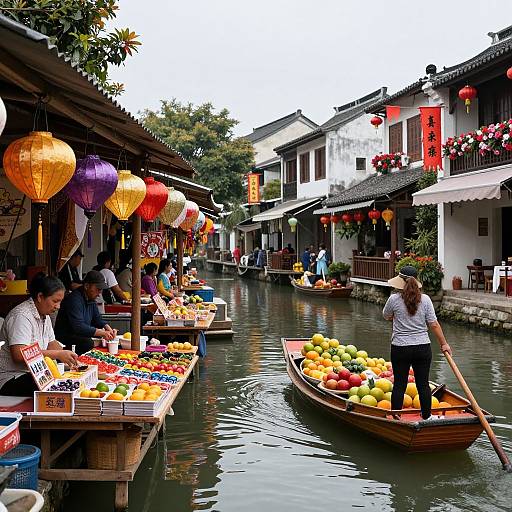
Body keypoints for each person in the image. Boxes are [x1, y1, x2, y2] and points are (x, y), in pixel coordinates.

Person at [382, 265, 452, 421]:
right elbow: (434, 324)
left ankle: (396, 417)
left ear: (400, 281)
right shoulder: (425, 299)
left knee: (400, 384)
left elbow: (386, 316)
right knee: (423, 384)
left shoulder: (393, 299)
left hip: (400, 348)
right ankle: (426, 416)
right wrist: (444, 344)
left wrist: (398, 317)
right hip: (422, 348)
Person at [0, 274, 78, 396]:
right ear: (40, 297)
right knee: (48, 386)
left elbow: (52, 345)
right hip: (12, 377)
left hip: (35, 373)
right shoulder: (21, 316)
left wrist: (72, 359)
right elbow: (19, 354)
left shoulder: (44, 315)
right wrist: (58, 354)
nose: (58, 306)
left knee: (65, 380)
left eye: (60, 302)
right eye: (55, 301)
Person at [55, 271, 117, 355]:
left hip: (80, 336)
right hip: (67, 338)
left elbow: (97, 319)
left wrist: (107, 327)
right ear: (87, 286)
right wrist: (101, 332)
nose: (99, 293)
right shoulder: (74, 299)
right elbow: (78, 326)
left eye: (101, 290)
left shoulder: (91, 299)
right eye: (97, 289)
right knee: (88, 343)